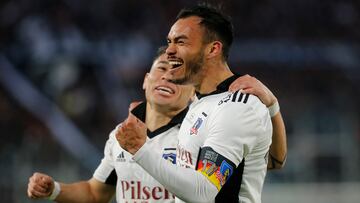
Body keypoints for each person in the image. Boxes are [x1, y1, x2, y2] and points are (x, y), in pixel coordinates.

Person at [27, 48, 285, 202]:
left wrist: (272, 106)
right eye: (162, 68)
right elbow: (96, 193)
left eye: (178, 75)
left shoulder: (201, 134)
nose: (168, 76)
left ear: (192, 93)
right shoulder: (121, 135)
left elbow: (273, 161)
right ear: (146, 79)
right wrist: (54, 190)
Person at [116, 4, 285, 203]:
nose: (169, 50)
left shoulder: (237, 106)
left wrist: (140, 149)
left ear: (213, 49)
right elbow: (270, 161)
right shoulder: (199, 100)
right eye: (169, 41)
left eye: (181, 42)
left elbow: (203, 192)